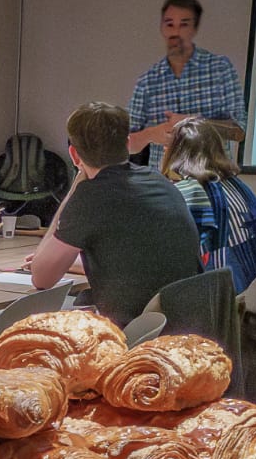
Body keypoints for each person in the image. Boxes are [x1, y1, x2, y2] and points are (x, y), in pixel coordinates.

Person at [29, 102, 201, 325]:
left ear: (74, 154)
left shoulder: (91, 195)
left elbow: (42, 279)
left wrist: (76, 188)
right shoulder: (158, 180)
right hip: (185, 324)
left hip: (138, 335)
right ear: (128, 143)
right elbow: (137, 259)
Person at [161, 117, 256, 295]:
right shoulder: (236, 184)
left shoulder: (190, 191)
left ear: (177, 152)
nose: (164, 149)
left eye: (168, 146)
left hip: (227, 300)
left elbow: (176, 255)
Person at [127, 0, 245, 167]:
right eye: (169, 24)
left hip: (211, 178)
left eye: (183, 24)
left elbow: (238, 131)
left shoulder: (219, 69)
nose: (175, 32)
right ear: (162, 28)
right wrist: (151, 134)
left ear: (194, 29)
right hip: (165, 185)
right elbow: (125, 144)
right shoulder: (148, 81)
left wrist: (195, 123)